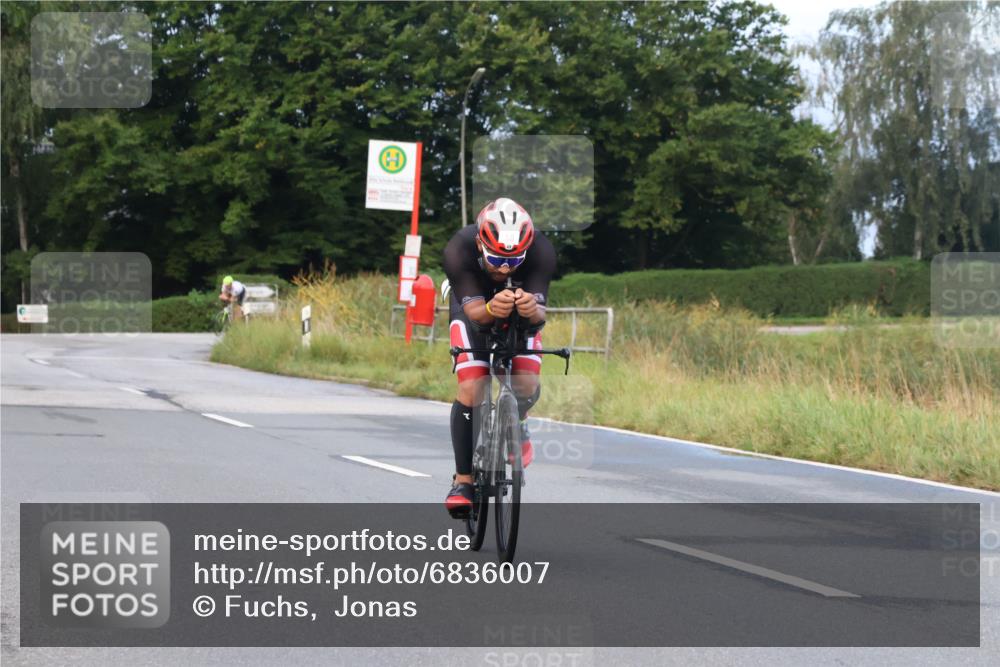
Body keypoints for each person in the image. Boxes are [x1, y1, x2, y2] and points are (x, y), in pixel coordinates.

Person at [442, 198, 556, 518]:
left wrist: (532, 309)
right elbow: (477, 315)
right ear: (481, 244)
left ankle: (519, 420)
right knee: (472, 386)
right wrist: (492, 308)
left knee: (525, 381)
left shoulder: (542, 251)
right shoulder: (459, 248)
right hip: (473, 307)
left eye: (514, 259)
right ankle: (463, 481)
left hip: (520, 308)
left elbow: (539, 316)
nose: (504, 268)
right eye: (495, 259)